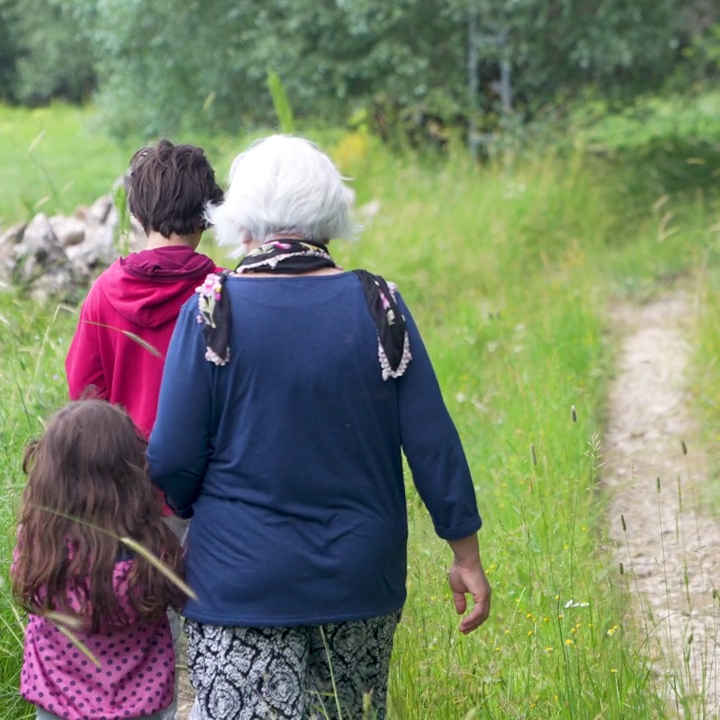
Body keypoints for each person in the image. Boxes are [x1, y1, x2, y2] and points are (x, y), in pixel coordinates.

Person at [146, 135, 491, 719]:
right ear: (330, 214)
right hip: (358, 580)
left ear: (242, 220)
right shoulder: (378, 304)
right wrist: (466, 554)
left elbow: (173, 456)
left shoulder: (211, 309)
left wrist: (193, 513)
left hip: (238, 583)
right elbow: (434, 445)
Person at [11, 400, 186, 720]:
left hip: (57, 704)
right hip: (140, 707)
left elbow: (22, 578)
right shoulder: (152, 550)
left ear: (51, 478)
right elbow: (180, 595)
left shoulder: (41, 547)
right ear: (130, 470)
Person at [65, 139, 224, 439]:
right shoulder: (225, 290)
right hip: (209, 477)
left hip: (126, 475)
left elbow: (84, 394)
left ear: (137, 216)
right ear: (209, 216)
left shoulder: (104, 292)